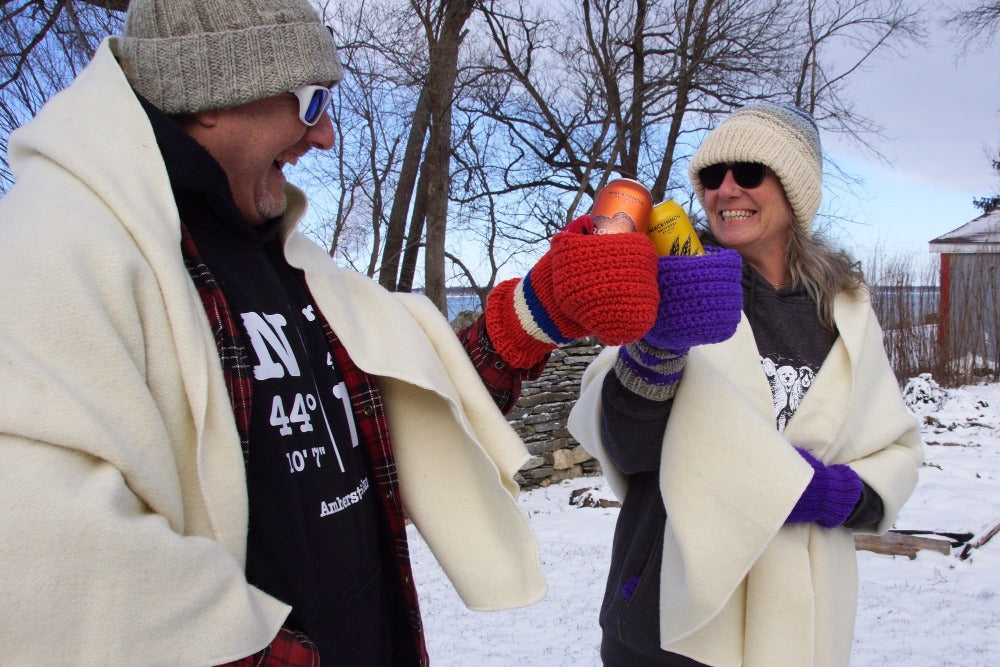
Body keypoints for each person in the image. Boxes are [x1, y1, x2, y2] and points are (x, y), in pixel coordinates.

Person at [0, 0, 662, 664]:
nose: (324, 137)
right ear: (211, 94)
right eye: (312, 101)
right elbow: (54, 566)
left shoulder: (278, 252)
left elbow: (401, 418)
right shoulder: (54, 254)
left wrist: (544, 305)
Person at [568, 102, 924, 666]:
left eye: (749, 173)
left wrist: (833, 496)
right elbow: (628, 451)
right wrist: (658, 347)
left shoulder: (847, 310)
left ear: (795, 189)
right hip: (670, 619)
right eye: (712, 176)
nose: (725, 190)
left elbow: (896, 450)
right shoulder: (671, 283)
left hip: (796, 622)